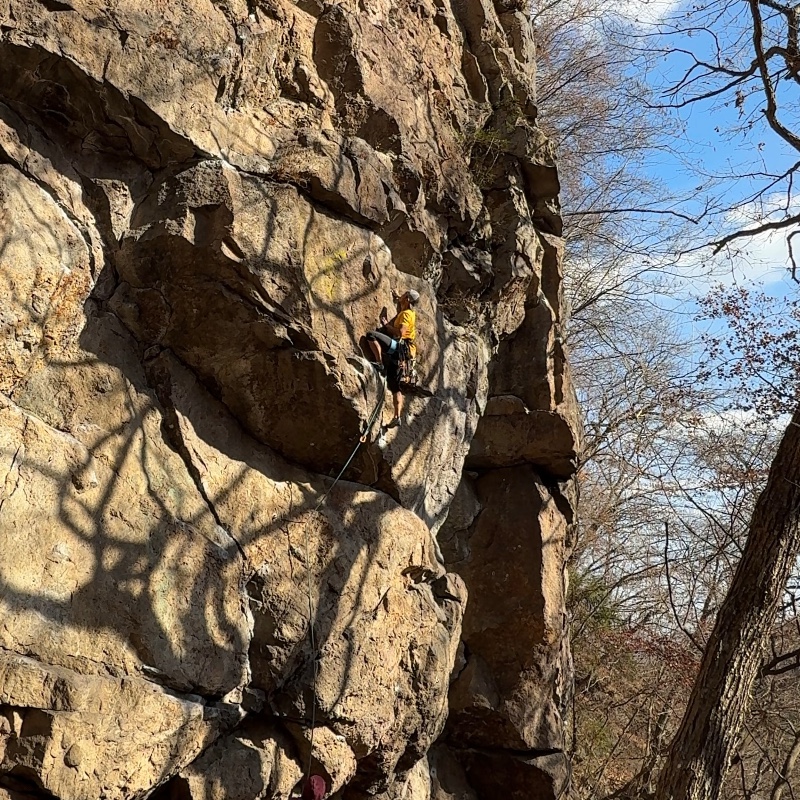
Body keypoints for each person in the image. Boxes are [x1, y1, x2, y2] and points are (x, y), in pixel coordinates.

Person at [366, 288, 419, 427]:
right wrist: (397, 297)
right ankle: (397, 416)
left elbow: (401, 333)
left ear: (407, 299)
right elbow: (402, 307)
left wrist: (387, 326)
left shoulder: (406, 314)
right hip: (404, 353)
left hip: (398, 348)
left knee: (371, 335)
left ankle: (379, 363)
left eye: (404, 295)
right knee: (394, 385)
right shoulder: (409, 312)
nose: (401, 296)